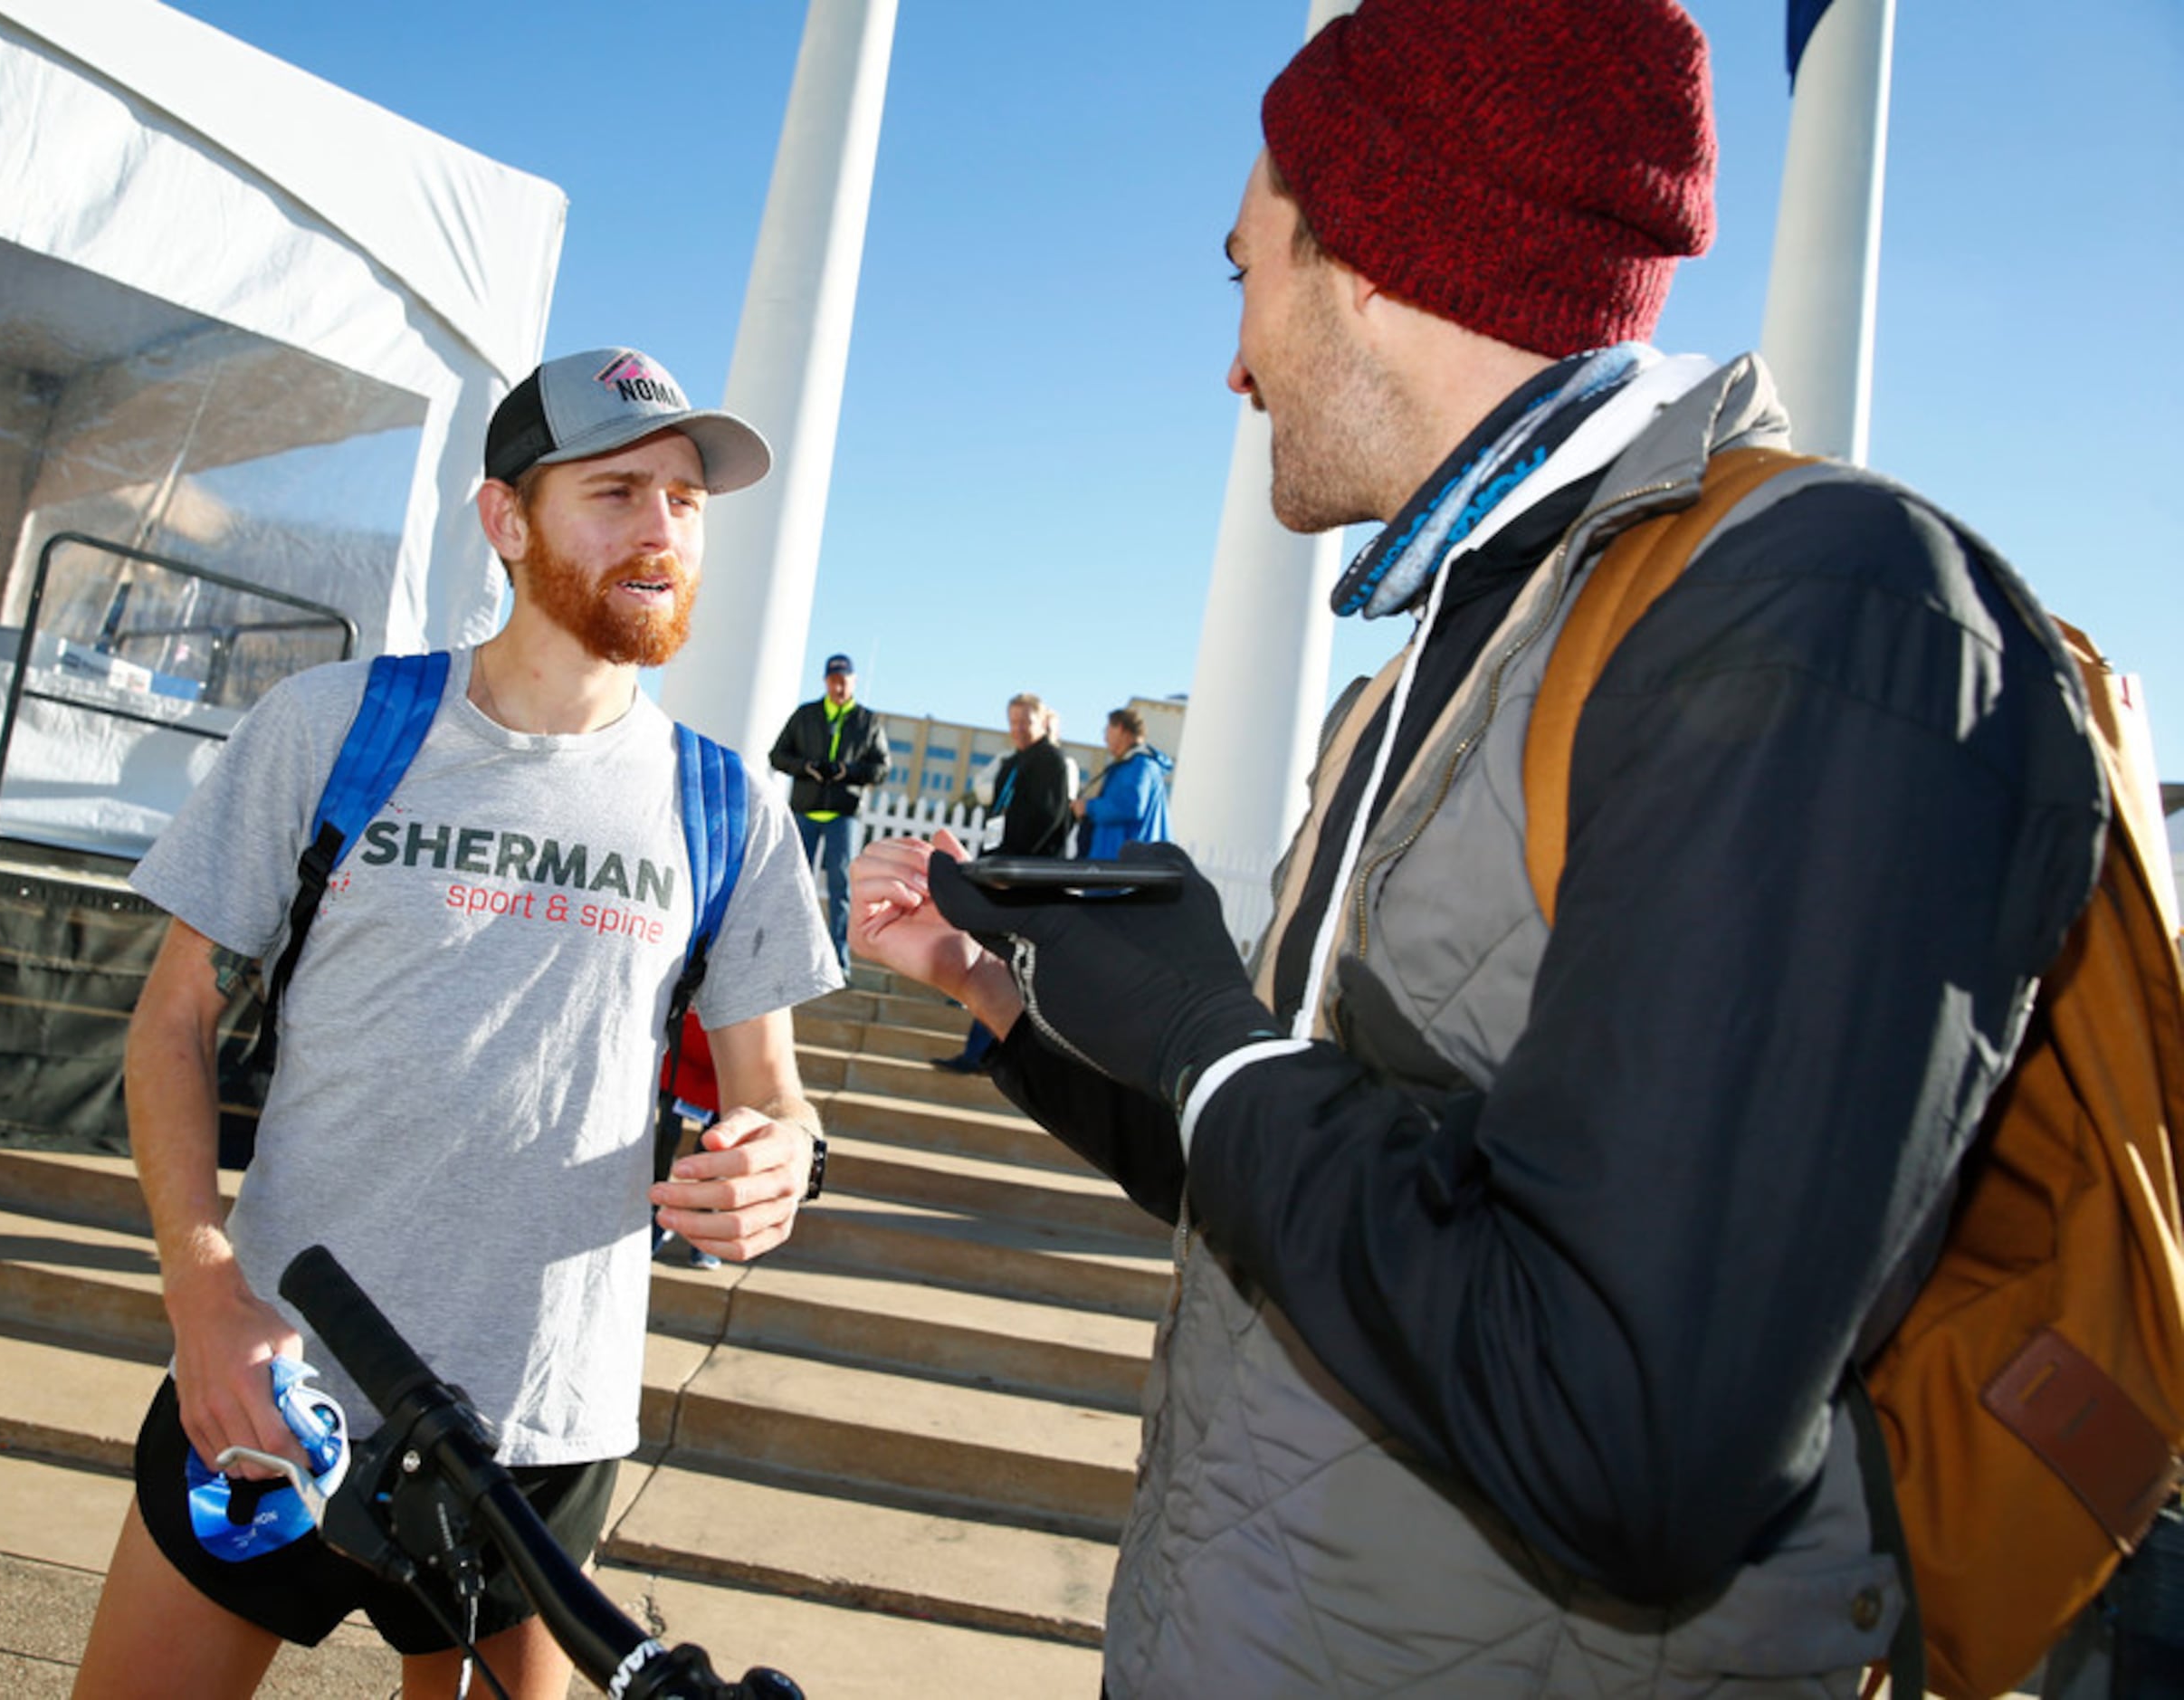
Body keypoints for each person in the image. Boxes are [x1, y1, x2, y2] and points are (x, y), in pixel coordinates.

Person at [850, 1, 2107, 1690]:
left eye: (1245, 273)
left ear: (1372, 249)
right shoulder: (1429, 667)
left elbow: (1621, 1433)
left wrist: (1209, 1043)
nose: (1234, 360)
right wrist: (1045, 1017)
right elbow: (1334, 1195)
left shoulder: (1824, 613)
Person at [73, 346, 842, 1700]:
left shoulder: (732, 807)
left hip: (540, 1432)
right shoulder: (335, 726)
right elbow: (173, 1025)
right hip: (271, 1392)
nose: (663, 528)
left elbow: (775, 1097)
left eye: (685, 498)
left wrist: (778, 1160)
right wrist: (201, 1292)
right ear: (506, 521)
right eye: (616, 491)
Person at [930, 693, 1075, 1074]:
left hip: (1027, 880)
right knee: (1002, 966)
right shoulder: (1015, 762)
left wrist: (1008, 870)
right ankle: (982, 1053)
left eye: (1025, 721)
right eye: (1012, 721)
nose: (1018, 728)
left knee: (1010, 968)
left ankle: (987, 1054)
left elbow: (1043, 823)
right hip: (1003, 870)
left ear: (1043, 722)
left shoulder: (1051, 762)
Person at [768, 653, 889, 972]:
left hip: (844, 816)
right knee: (793, 884)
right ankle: (785, 955)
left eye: (844, 680)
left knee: (842, 889)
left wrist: (846, 771)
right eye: (834, 680)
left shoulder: (868, 721)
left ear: (853, 681)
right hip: (804, 813)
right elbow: (777, 756)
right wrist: (806, 767)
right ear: (825, 681)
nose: (839, 686)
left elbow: (881, 769)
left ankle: (838, 960)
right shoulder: (805, 715)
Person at [1071, 705, 1172, 859]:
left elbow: (1131, 806)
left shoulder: (1140, 765)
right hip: (1118, 864)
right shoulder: (1132, 765)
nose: (1105, 739)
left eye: (1107, 731)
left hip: (1125, 868)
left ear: (1121, 729)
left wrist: (1088, 807)